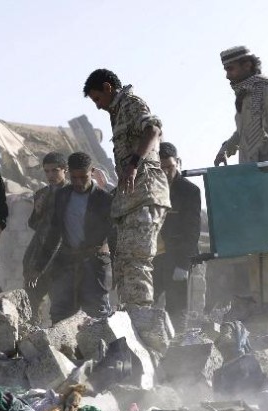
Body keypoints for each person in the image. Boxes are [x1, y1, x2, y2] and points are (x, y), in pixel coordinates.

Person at [213, 46, 268, 317]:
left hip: (267, 173)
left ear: (247, 65)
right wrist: (227, 147)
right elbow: (243, 132)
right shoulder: (245, 95)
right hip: (249, 176)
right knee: (254, 238)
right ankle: (260, 299)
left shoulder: (267, 89)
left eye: (231, 68)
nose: (227, 75)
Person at [82, 69, 170, 309]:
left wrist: (133, 164)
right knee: (123, 260)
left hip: (146, 191)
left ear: (108, 88)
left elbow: (153, 130)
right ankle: (132, 313)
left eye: (98, 98)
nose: (98, 106)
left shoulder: (131, 104)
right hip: (131, 197)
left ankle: (141, 316)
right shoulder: (118, 113)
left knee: (136, 258)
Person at [28, 152, 113, 322]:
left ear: (92, 172)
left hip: (94, 264)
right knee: (61, 313)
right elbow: (53, 234)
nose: (79, 183)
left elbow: (113, 236)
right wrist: (39, 268)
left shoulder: (104, 199)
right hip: (65, 263)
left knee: (96, 313)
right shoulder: (62, 196)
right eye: (74, 178)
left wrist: (117, 269)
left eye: (83, 177)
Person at [152, 143, 201, 330]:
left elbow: (192, 231)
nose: (166, 172)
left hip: (176, 257)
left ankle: (177, 344)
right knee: (144, 306)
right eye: (161, 168)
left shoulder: (189, 191)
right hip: (153, 258)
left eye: (170, 167)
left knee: (177, 310)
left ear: (178, 163)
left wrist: (183, 264)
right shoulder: (149, 189)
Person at [22, 152, 69, 320]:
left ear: (65, 170)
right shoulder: (42, 193)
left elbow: (59, 233)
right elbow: (34, 225)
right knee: (31, 304)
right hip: (38, 254)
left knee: (60, 307)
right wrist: (38, 210)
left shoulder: (71, 194)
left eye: (55, 170)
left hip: (62, 258)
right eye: (47, 171)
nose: (50, 175)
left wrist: (38, 267)